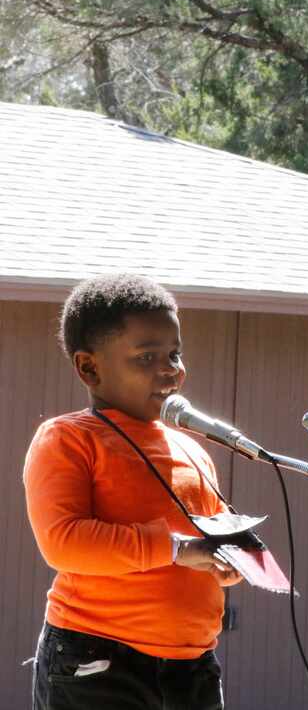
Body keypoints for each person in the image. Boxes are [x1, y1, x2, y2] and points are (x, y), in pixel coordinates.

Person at [24, 273, 242, 710]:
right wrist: (177, 549)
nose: (170, 369)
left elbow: (209, 536)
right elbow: (63, 543)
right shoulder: (68, 438)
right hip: (101, 662)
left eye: (175, 354)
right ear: (89, 367)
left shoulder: (191, 448)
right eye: (146, 357)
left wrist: (234, 556)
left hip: (192, 667)